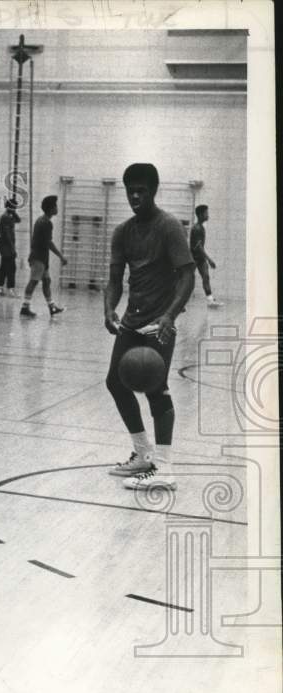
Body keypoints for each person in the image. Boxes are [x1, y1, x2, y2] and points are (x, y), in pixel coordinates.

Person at [105, 163, 195, 490]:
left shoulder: (169, 227)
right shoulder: (122, 232)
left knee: (156, 389)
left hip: (158, 324)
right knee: (115, 382)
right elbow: (115, 280)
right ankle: (143, 454)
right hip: (131, 321)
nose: (136, 196)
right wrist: (108, 309)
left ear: (153, 191)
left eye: (142, 190)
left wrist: (170, 315)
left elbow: (188, 274)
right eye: (131, 191)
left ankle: (166, 468)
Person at [20, 195, 67, 319]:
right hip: (38, 257)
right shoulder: (46, 222)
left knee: (46, 281)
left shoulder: (42, 220)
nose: (57, 208)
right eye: (55, 206)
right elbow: (48, 243)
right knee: (34, 281)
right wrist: (61, 256)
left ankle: (51, 307)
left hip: (41, 257)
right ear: (51, 208)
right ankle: (25, 307)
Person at [190, 205, 223, 308]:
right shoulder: (196, 228)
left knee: (206, 277)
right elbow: (199, 247)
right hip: (192, 258)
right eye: (206, 213)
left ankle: (210, 300)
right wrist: (209, 259)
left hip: (200, 258)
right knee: (187, 280)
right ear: (200, 215)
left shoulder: (201, 227)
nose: (208, 215)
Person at [0, 199, 20, 296]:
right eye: (14, 207)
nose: (15, 209)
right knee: (11, 267)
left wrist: (13, 212)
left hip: (7, 245)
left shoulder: (10, 216)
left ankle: (0, 287)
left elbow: (18, 220)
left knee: (4, 267)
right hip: (6, 245)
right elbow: (7, 235)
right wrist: (12, 248)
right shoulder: (5, 217)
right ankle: (10, 288)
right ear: (10, 207)